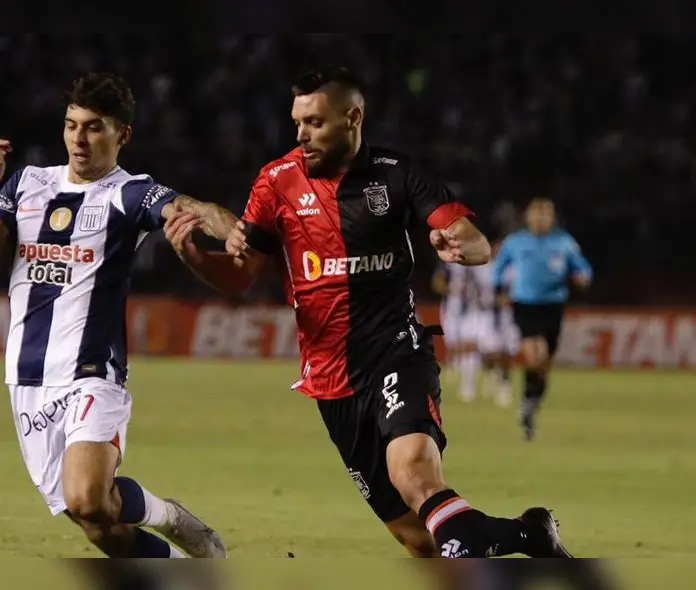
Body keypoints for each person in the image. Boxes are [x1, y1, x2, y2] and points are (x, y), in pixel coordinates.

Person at [166, 65, 572, 559]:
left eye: (314, 122)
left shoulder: (397, 173)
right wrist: (193, 256)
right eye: (297, 122)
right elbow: (239, 274)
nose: (301, 134)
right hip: (331, 380)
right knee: (418, 538)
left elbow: (474, 240)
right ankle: (529, 536)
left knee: (413, 473)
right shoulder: (275, 182)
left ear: (352, 118)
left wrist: (460, 245)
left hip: (397, 352)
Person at [0, 72, 230, 558]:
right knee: (97, 521)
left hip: (91, 373)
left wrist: (233, 232)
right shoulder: (27, 184)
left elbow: (189, 207)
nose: (79, 139)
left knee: (86, 494)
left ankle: (168, 516)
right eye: (71, 125)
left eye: (94, 127)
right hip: (27, 377)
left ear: (122, 135)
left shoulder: (129, 194)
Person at [493, 198, 592, 440]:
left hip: (553, 306)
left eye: (545, 214)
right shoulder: (515, 243)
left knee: (544, 364)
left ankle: (530, 402)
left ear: (551, 218)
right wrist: (500, 292)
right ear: (528, 217)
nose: (540, 218)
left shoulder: (564, 243)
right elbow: (497, 269)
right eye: (536, 214)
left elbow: (584, 268)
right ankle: (528, 401)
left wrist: (582, 277)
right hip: (525, 304)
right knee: (533, 355)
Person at [470, 241, 519, 408]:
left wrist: (510, 299)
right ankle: (491, 375)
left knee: (507, 352)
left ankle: (504, 384)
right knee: (489, 352)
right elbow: (475, 289)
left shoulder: (514, 269)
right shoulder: (482, 269)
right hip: (487, 314)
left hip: (507, 315)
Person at [431, 262, 482, 402]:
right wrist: (452, 289)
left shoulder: (475, 264)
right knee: (453, 345)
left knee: (470, 345)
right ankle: (453, 368)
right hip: (450, 311)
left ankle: (468, 385)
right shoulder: (448, 265)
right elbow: (437, 283)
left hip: (471, 310)